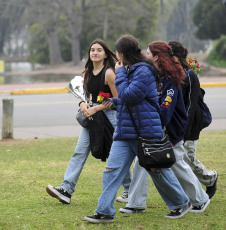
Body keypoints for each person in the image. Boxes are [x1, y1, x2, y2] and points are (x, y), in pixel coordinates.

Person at [84, 34, 191, 224]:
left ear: (122, 53)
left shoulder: (143, 71)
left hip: (145, 131)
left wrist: (120, 74)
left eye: (117, 54)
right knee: (111, 170)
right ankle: (105, 211)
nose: (116, 59)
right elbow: (127, 99)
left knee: (158, 171)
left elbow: (129, 95)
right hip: (125, 132)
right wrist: (113, 102)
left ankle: (181, 203)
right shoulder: (130, 69)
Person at [119, 41, 210, 215]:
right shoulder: (155, 75)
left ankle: (201, 199)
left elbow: (166, 109)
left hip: (171, 130)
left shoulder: (170, 79)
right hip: (156, 128)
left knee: (177, 164)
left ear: (156, 56)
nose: (145, 56)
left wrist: (157, 125)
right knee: (141, 160)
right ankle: (136, 203)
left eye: (148, 53)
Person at [46, 39, 131, 204]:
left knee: (117, 155)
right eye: (92, 50)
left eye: (99, 50)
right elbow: (85, 96)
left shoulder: (109, 73)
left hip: (112, 118)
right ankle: (66, 189)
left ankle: (129, 189)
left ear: (106, 54)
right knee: (79, 152)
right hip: (93, 118)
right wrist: (82, 104)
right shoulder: (87, 73)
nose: (95, 53)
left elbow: (118, 99)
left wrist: (96, 108)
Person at [168, 40, 218, 198]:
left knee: (187, 157)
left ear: (176, 57)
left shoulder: (190, 75)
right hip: (175, 123)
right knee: (177, 159)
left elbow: (191, 105)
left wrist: (184, 130)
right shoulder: (168, 75)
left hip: (191, 123)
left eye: (168, 55)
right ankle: (188, 192)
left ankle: (210, 178)